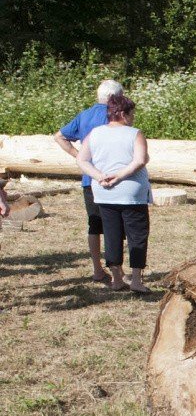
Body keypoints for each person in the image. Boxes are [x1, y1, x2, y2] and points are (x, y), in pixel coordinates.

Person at [76, 94, 152, 293]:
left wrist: (99, 176)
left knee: (111, 235)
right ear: (123, 114)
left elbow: (82, 160)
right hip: (131, 194)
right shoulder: (134, 133)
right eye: (132, 113)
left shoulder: (94, 133)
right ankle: (136, 280)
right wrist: (119, 176)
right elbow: (140, 160)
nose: (133, 117)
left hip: (104, 193)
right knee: (137, 235)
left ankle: (116, 279)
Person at [54, 79, 124, 284]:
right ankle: (117, 272)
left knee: (94, 225)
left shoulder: (84, 115)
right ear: (115, 98)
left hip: (89, 177)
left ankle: (97, 269)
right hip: (112, 177)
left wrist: (80, 158)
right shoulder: (116, 115)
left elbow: (59, 136)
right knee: (114, 225)